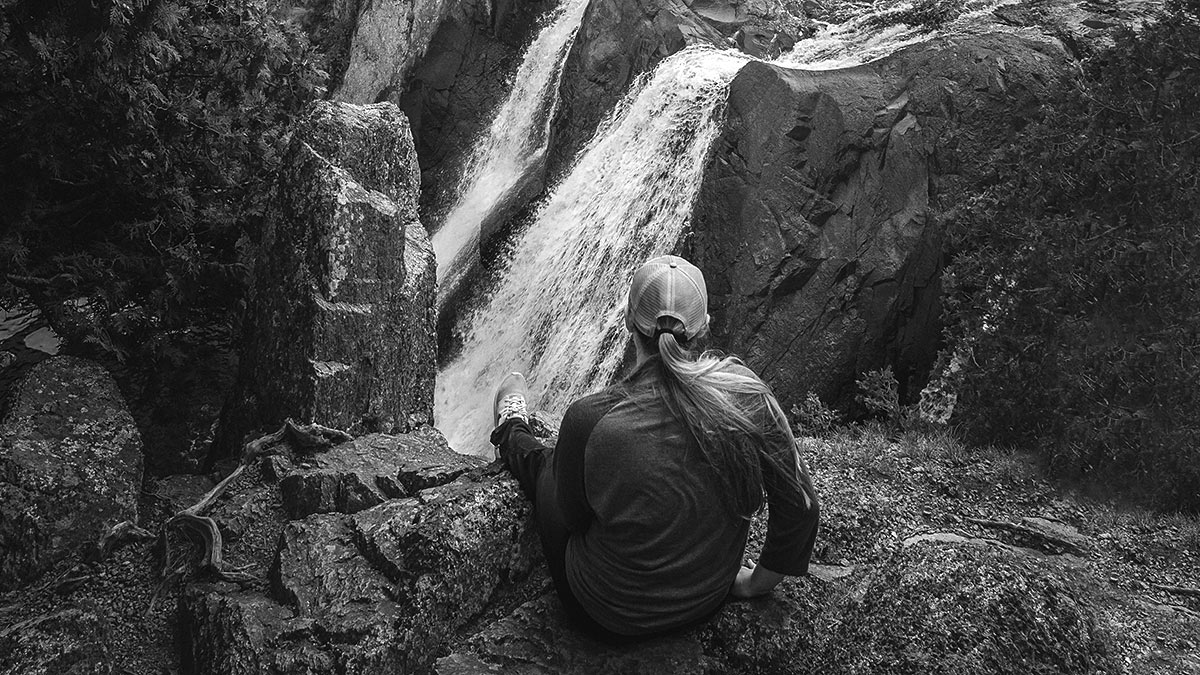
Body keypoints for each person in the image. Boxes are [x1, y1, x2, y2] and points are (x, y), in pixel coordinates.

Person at [489, 254, 819, 641]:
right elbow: (800, 507)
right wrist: (755, 584)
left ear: (629, 321)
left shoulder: (590, 417)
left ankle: (511, 427)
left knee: (549, 470)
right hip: (707, 598)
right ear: (704, 327)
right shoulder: (746, 396)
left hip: (604, 616)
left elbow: (574, 520)